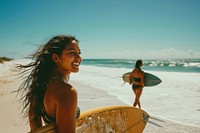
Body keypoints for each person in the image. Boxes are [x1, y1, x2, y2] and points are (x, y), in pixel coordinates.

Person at [16, 35, 82, 133]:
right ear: (56, 58)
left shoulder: (42, 85)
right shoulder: (66, 91)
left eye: (79, 53)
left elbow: (35, 124)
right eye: (72, 52)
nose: (79, 58)